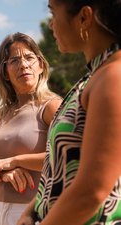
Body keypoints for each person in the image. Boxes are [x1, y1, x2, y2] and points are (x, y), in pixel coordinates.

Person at [16, 1, 121, 225]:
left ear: (84, 17)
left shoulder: (113, 77)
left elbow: (92, 190)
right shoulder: (95, 76)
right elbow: (64, 171)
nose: (51, 23)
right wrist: (32, 209)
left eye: (53, 11)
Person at [0, 32, 62, 225]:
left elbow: (63, 157)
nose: (23, 65)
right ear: (5, 72)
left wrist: (13, 161)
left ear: (41, 65)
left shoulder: (52, 106)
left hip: (32, 213)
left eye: (29, 57)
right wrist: (2, 172)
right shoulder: (1, 114)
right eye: (14, 60)